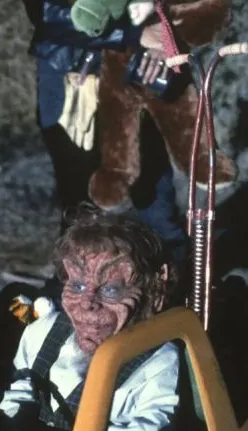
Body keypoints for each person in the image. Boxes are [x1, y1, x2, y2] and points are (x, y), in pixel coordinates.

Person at [0, 207, 180, 431]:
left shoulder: (158, 361)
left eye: (111, 289)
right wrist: (13, 420)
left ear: (152, 293)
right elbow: (20, 385)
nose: (87, 303)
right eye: (78, 286)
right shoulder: (41, 332)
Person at [21, 0, 188, 264]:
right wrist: (134, 34)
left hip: (139, 68)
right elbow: (47, 13)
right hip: (72, 73)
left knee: (154, 195)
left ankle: (170, 279)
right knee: (80, 204)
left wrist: (165, 36)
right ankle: (81, 282)